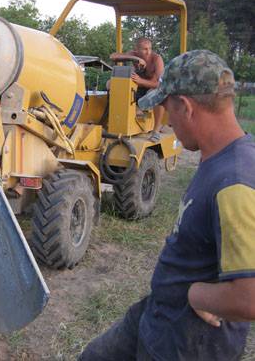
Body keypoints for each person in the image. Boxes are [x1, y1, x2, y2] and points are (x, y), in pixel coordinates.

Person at [79, 50, 255, 360]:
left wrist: (195, 294)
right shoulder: (221, 156)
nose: (167, 120)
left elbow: (249, 298)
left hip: (186, 343)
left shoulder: (235, 182)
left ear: (185, 107)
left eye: (166, 108)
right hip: (161, 313)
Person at [110, 37, 165, 142]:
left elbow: (160, 85)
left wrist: (141, 81)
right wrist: (136, 59)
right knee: (110, 84)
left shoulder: (156, 59)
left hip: (152, 88)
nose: (148, 52)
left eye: (150, 48)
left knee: (159, 94)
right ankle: (115, 123)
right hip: (138, 88)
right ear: (136, 50)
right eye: (145, 49)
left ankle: (156, 130)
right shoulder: (133, 54)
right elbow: (113, 56)